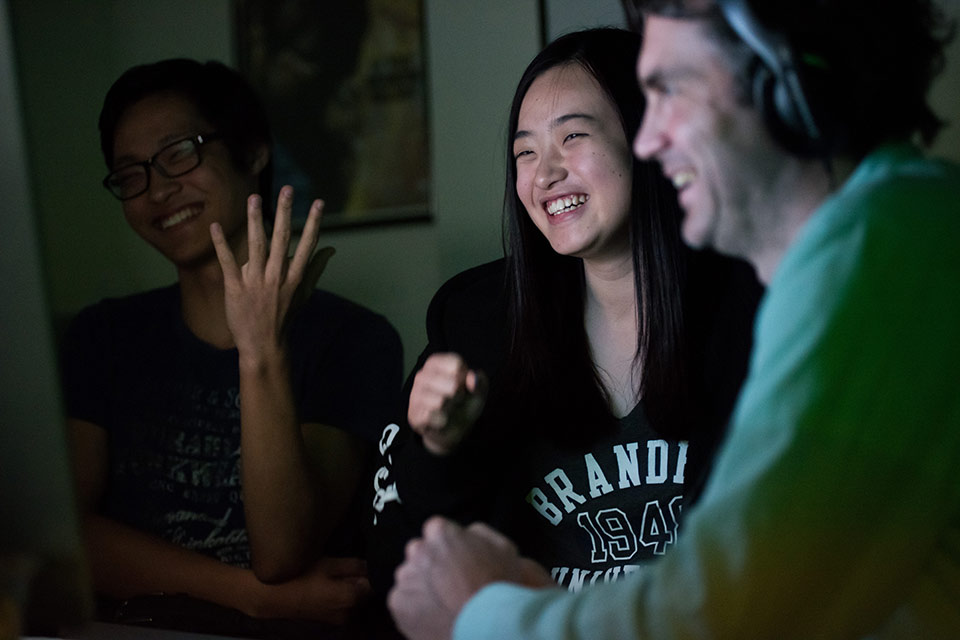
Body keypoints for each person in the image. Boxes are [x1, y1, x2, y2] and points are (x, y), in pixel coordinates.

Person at [386, 0, 960, 638]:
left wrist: (482, 611)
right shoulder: (878, 239)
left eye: (670, 90)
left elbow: (725, 612)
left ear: (784, 82)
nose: (650, 139)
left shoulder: (881, 258)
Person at [370, 26, 760, 617]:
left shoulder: (754, 306)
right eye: (525, 152)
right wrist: (441, 447)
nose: (543, 173)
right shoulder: (478, 323)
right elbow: (400, 567)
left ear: (649, 136)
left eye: (572, 136)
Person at [61, 58, 403, 634]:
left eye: (179, 152)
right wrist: (251, 597)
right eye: (130, 174)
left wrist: (260, 349)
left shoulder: (355, 340)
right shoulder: (102, 336)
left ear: (253, 151)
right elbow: (67, 533)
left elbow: (282, 552)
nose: (158, 188)